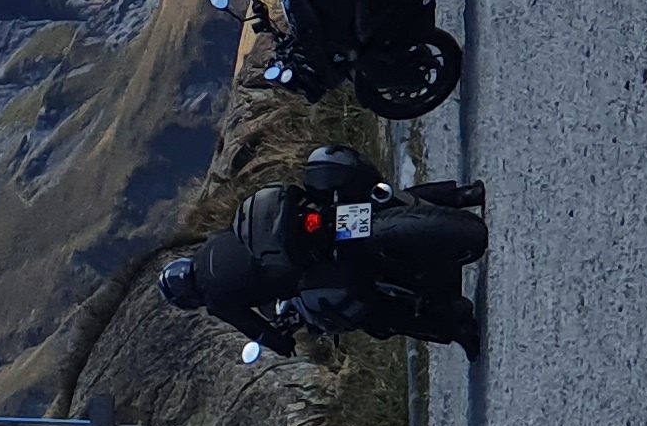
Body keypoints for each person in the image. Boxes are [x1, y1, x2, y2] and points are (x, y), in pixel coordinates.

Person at [160, 145, 485, 352]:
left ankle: (456, 327)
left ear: (191, 299)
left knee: (373, 318)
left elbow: (256, 329)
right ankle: (461, 195)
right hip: (305, 228)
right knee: (375, 208)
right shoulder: (211, 244)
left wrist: (280, 342)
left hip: (308, 265)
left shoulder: (216, 302)